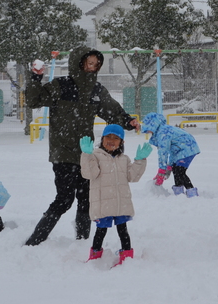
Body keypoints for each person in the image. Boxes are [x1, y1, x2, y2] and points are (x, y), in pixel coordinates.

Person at [24, 46, 141, 246]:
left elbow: (112, 111)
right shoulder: (61, 85)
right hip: (63, 154)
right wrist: (35, 79)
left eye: (96, 64)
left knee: (87, 199)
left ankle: (82, 240)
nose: (93, 67)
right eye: (90, 63)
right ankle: (35, 241)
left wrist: (127, 121)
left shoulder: (96, 90)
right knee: (64, 199)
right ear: (79, 63)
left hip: (86, 154)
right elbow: (34, 100)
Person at [79, 125, 151, 265]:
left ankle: (126, 257)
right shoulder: (96, 156)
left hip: (120, 203)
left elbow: (132, 177)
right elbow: (89, 174)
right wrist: (87, 155)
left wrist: (140, 160)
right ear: (102, 139)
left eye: (116, 138)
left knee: (123, 231)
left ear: (122, 142)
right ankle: (94, 257)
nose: (111, 141)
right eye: (108, 137)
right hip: (103, 203)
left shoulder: (124, 159)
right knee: (101, 231)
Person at [141, 112, 201, 197]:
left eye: (148, 128)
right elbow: (172, 151)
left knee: (180, 171)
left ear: (153, 125)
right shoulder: (162, 131)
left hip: (188, 148)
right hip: (181, 150)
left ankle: (192, 193)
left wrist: (162, 171)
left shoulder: (163, 133)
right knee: (176, 170)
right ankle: (179, 192)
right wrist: (169, 166)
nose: (148, 131)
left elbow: (163, 152)